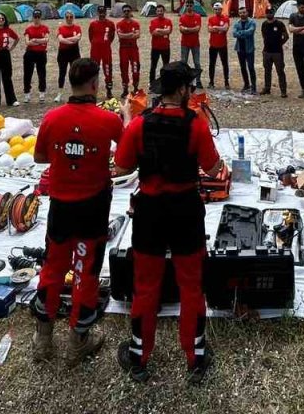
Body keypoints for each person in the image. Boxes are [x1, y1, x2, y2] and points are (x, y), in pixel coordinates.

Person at [114, 63, 223, 386]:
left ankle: (139, 356)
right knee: (191, 285)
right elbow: (214, 170)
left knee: (145, 285)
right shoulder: (196, 125)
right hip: (185, 209)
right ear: (182, 90)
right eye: (191, 85)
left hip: (149, 210)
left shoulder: (139, 125)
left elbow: (121, 166)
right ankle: (195, 356)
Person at [31, 58, 123, 364]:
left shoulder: (52, 118)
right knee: (86, 272)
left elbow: (40, 157)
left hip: (60, 206)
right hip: (92, 207)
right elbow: (126, 155)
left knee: (53, 267)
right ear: (95, 84)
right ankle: (77, 341)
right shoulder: (108, 120)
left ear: (70, 82)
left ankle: (43, 339)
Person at [22, 8, 51, 103]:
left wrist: (35, 40)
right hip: (30, 53)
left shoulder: (45, 28)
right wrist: (39, 41)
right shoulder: (28, 29)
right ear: (33, 17)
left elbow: (46, 39)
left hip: (41, 53)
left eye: (38, 17)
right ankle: (27, 93)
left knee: (42, 73)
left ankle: (42, 93)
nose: (37, 18)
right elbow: (27, 42)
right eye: (35, 17)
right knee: (28, 74)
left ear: (40, 17)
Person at [89, 6, 117, 96]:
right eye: (100, 12)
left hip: (106, 49)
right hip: (95, 50)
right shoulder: (93, 24)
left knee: (108, 69)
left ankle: (109, 90)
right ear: (97, 13)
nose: (102, 14)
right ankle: (93, 90)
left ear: (106, 13)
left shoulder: (111, 24)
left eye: (103, 12)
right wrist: (95, 43)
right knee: (93, 69)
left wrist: (106, 43)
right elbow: (90, 36)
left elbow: (112, 36)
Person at [260, 9, 289, 97]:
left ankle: (283, 91)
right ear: (266, 14)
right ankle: (267, 88)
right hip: (266, 51)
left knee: (280, 71)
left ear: (273, 13)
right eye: (267, 13)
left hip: (277, 52)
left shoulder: (279, 24)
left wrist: (280, 43)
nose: (269, 14)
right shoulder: (264, 24)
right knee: (267, 70)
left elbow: (286, 36)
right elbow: (263, 35)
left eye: (271, 13)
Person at [57, 9, 83, 100]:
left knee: (75, 72)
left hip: (74, 52)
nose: (69, 19)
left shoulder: (77, 27)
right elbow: (61, 39)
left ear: (73, 17)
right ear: (65, 18)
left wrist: (66, 40)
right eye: (67, 17)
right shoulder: (61, 28)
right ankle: (59, 93)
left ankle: (76, 93)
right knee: (62, 72)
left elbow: (78, 38)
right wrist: (71, 40)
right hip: (63, 52)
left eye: (71, 17)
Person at [116, 5, 142, 93]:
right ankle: (125, 89)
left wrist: (126, 35)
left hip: (133, 49)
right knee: (124, 68)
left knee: (135, 68)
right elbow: (120, 36)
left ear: (131, 12)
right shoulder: (119, 24)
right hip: (123, 49)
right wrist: (131, 34)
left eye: (128, 11)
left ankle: (135, 87)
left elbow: (137, 35)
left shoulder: (136, 23)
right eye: (124, 11)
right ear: (123, 13)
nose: (126, 13)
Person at [231, 8, 257, 94]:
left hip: (249, 49)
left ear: (247, 12)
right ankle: (246, 84)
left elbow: (250, 32)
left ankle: (253, 87)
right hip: (240, 49)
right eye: (240, 13)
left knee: (251, 67)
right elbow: (234, 34)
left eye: (244, 12)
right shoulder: (237, 23)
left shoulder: (252, 22)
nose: (242, 14)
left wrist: (240, 33)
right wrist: (244, 33)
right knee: (243, 68)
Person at [206, 2, 230, 90]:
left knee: (225, 64)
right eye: (215, 9)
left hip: (223, 45)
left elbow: (225, 28)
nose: (217, 11)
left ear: (221, 9)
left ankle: (226, 82)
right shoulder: (211, 19)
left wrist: (215, 28)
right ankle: (211, 82)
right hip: (213, 45)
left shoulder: (226, 18)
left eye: (219, 9)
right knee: (212, 64)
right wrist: (220, 28)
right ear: (214, 10)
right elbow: (209, 29)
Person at [147, 4, 173, 85]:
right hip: (155, 47)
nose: (160, 12)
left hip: (165, 47)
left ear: (164, 11)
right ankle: (152, 83)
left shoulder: (168, 21)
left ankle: (165, 82)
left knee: (166, 66)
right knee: (153, 66)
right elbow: (153, 33)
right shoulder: (153, 21)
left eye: (161, 11)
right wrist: (163, 31)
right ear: (156, 12)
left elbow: (168, 31)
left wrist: (158, 30)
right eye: (158, 11)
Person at [177, 2, 202, 80]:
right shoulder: (182, 17)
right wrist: (192, 29)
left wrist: (187, 29)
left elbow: (197, 29)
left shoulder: (198, 16)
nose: (189, 7)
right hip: (184, 43)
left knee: (197, 63)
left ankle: (198, 81)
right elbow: (181, 30)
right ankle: (184, 80)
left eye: (190, 5)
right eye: (187, 5)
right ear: (185, 6)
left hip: (195, 43)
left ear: (193, 6)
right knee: (183, 62)